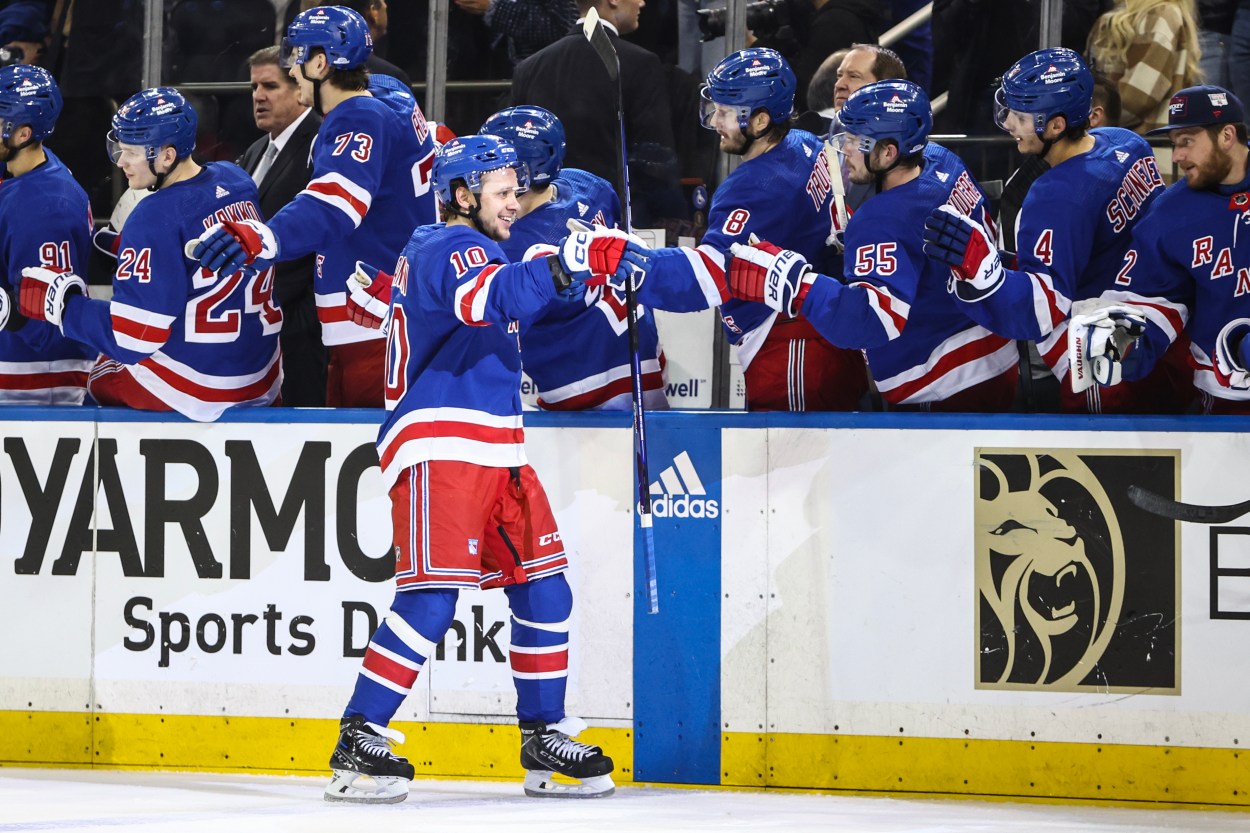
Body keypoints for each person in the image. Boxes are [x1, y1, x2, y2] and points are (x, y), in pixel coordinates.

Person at [322, 134, 642, 803]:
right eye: (499, 192)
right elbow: (491, 297)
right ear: (462, 194)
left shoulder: (446, 248)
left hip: (494, 443)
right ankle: (360, 734)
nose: (513, 202)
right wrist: (571, 258)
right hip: (443, 442)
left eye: (515, 190)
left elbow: (480, 305)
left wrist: (581, 269)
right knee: (432, 598)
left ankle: (543, 735)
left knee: (543, 587)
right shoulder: (453, 244)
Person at [191, 6, 436, 408]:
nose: (292, 70)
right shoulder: (392, 95)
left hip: (374, 323)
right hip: (391, 314)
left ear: (321, 63)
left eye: (296, 59)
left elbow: (334, 205)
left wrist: (264, 236)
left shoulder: (355, 116)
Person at [922, 47, 1190, 414]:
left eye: (1019, 115)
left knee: (1105, 468)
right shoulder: (1127, 142)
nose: (1009, 124)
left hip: (1106, 357)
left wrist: (984, 277)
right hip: (1164, 329)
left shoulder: (1053, 198)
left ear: (1056, 125)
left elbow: (1042, 310)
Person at [725, 81, 1018, 411]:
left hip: (944, 384)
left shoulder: (881, 218)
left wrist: (795, 284)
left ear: (889, 152)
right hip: (994, 355)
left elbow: (873, 321)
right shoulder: (943, 160)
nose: (845, 149)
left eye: (856, 140)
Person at [17, 87, 282, 421]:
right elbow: (200, 252)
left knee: (95, 375)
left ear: (167, 156)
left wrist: (63, 306)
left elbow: (134, 337)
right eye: (119, 148)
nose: (121, 161)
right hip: (260, 377)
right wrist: (133, 250)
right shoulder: (236, 179)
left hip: (199, 388)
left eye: (131, 152)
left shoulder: (153, 216)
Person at [1073, 85, 1250, 413]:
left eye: (1187, 141)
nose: (1178, 156)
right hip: (1229, 401)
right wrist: (1132, 341)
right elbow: (1149, 301)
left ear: (1227, 135)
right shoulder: (1169, 213)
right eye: (1174, 144)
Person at [480, 105, 665, 410]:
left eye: (493, 165)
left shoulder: (509, 247)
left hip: (580, 389)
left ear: (520, 175)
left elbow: (489, 344)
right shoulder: (588, 185)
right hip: (644, 361)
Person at [510, 0, 682, 228]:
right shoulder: (641, 64)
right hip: (613, 225)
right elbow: (655, 159)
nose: (642, 2)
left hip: (541, 225)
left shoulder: (529, 68)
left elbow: (516, 157)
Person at [0, 64, 95, 404]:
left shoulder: (46, 208)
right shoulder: (28, 168)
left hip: (33, 381)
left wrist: (9, 309)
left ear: (22, 134)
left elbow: (47, 322)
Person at [239, 45, 325, 407]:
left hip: (299, 333)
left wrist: (297, 322)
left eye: (270, 87)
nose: (259, 96)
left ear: (298, 87)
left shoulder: (321, 143)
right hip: (257, 327)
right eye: (254, 88)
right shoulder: (257, 149)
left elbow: (325, 235)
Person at [1086, 0, 1203, 134]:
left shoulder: (1162, 15)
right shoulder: (1126, 17)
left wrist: (1084, 121)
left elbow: (1138, 97)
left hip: (1137, 145)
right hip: (1118, 141)